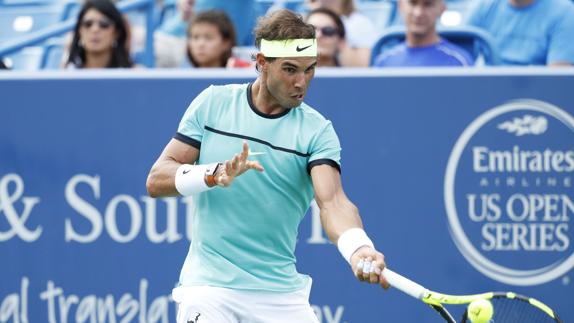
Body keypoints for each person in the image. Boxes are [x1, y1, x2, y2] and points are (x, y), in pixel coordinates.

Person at [146, 9, 388, 323]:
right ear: (261, 63)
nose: (301, 82)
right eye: (290, 69)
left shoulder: (317, 131)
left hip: (281, 296)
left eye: (309, 70)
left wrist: (358, 248)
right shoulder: (212, 104)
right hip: (210, 287)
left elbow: (334, 202)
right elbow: (157, 179)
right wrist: (209, 174)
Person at [466, 0, 574, 66]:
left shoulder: (565, 13)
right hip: (487, 93)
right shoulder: (483, 7)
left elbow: (557, 82)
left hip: (535, 100)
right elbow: (459, 60)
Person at [373, 0, 473, 67]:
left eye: (428, 4)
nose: (418, 13)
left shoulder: (460, 62)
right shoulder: (383, 62)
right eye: (413, 3)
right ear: (401, 5)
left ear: (442, 8)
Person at [306, 0, 378, 66]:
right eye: (311, 30)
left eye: (328, 31)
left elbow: (361, 69)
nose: (318, 35)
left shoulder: (360, 23)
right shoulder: (307, 18)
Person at [65, 0, 133, 69]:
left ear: (116, 33)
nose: (95, 30)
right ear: (80, 31)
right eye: (88, 24)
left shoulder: (136, 75)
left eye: (104, 24)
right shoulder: (67, 73)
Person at [183, 10, 250, 68]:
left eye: (208, 38)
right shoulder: (181, 73)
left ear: (226, 42)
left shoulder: (241, 73)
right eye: (195, 37)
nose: (200, 44)